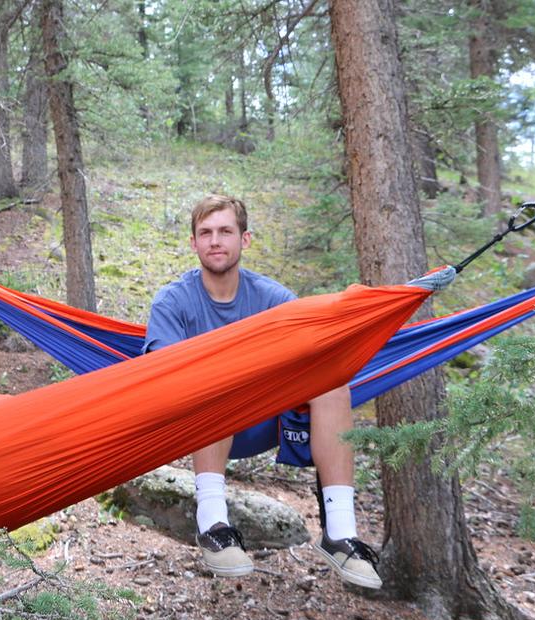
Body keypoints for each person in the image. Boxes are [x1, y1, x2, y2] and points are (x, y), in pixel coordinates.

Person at [144, 194, 381, 589]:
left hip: (267, 419)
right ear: (193, 243)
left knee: (333, 383)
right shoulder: (173, 301)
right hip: (203, 423)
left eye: (225, 231)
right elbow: (162, 373)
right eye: (205, 233)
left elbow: (316, 350)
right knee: (211, 374)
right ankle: (213, 525)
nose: (215, 241)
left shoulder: (273, 299)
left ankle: (340, 533)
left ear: (245, 240)